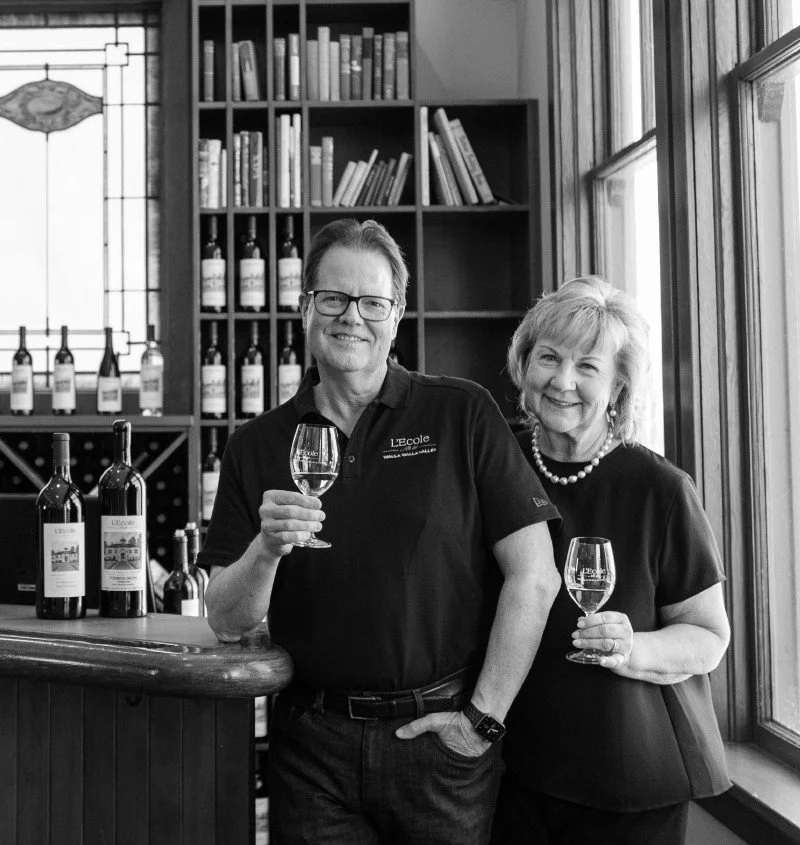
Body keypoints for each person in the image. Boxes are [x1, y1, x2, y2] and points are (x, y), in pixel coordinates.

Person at [200, 218, 561, 845]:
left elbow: (535, 575)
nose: (352, 317)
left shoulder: (462, 413)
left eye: (373, 302)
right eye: (333, 298)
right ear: (305, 308)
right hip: (312, 749)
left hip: (441, 742)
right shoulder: (255, 446)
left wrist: (481, 722)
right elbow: (228, 621)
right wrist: (266, 549)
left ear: (397, 316)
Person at [493, 275, 732, 845]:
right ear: (524, 364)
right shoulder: (493, 464)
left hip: (629, 778)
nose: (563, 381)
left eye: (588, 366)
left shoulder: (661, 489)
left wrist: (633, 647)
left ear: (620, 384)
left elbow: (708, 637)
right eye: (548, 357)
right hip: (512, 769)